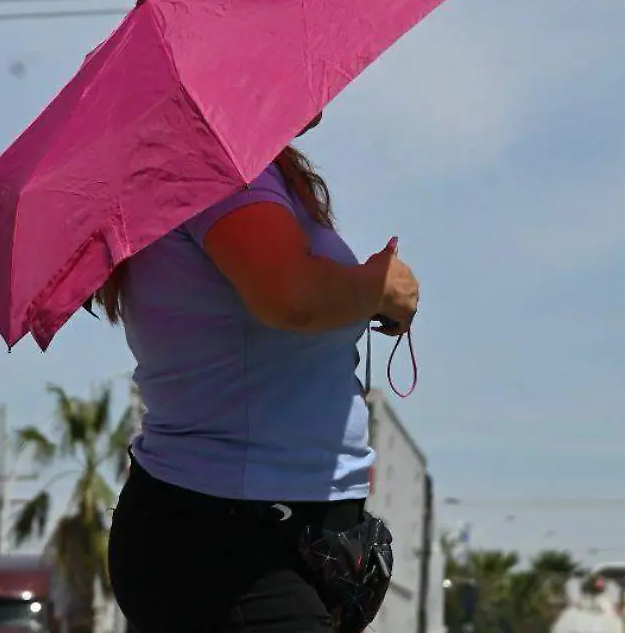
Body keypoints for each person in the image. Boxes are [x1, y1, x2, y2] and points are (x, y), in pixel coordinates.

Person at [99, 114, 420, 632]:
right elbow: (290, 296)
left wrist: (358, 296)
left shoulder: (223, 169)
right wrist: (381, 286)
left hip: (245, 531)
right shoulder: (218, 169)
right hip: (227, 541)